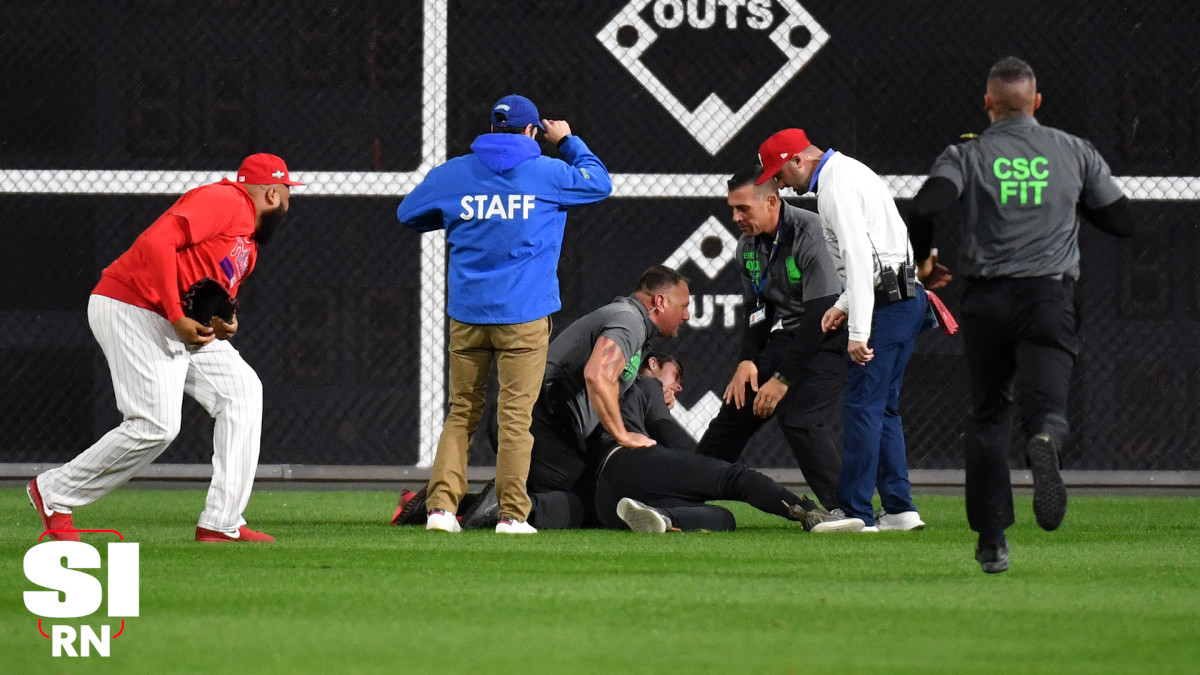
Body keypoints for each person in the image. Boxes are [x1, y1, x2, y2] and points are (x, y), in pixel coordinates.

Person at [906, 57, 1133, 573]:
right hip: (1049, 297)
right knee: (1047, 408)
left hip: (987, 300)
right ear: (1037, 101)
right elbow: (1122, 221)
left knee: (988, 414)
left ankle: (992, 540)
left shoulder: (968, 154)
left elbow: (924, 208)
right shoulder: (1074, 151)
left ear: (987, 103)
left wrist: (924, 262)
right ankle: (1046, 441)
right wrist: (1071, 203)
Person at [28, 153, 302, 543]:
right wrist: (176, 316)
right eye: (289, 194)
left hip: (171, 319)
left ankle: (221, 523)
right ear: (273, 194)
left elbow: (213, 295)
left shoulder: (249, 244)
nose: (289, 204)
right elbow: (157, 239)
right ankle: (54, 492)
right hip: (133, 306)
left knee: (242, 392)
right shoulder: (226, 201)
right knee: (155, 425)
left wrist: (227, 320)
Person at [396, 93, 612, 535]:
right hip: (523, 317)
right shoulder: (549, 173)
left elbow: (408, 214)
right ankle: (512, 514)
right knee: (515, 417)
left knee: (461, 413)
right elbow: (599, 182)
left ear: (492, 129)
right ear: (532, 131)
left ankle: (440, 509)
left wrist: (462, 216)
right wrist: (567, 140)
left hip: (468, 315)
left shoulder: (456, 173)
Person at [758, 128, 927, 534]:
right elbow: (877, 255)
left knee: (862, 408)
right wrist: (842, 304)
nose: (780, 184)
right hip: (906, 299)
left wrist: (858, 329)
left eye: (780, 174)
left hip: (887, 306)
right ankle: (900, 509)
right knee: (883, 408)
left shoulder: (834, 187)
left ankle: (855, 511)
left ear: (799, 160)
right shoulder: (849, 172)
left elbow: (857, 260)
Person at [694, 165, 862, 533]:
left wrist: (782, 380)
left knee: (799, 417)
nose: (735, 218)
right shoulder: (747, 247)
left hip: (830, 336)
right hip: (786, 338)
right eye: (732, 209)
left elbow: (820, 312)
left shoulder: (811, 231)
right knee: (734, 410)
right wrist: (746, 362)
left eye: (743, 209)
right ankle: (681, 493)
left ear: (771, 202)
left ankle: (848, 511)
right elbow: (757, 310)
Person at [595, 354, 858, 533]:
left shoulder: (598, 392)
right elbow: (676, 444)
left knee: (723, 518)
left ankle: (662, 517)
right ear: (652, 363)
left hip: (607, 502)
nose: (677, 386)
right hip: (628, 461)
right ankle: (812, 514)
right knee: (735, 477)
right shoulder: (645, 383)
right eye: (675, 375)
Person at [520, 265, 692, 530]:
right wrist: (623, 435)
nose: (687, 315)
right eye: (683, 306)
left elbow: (620, 377)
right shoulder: (629, 320)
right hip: (541, 419)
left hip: (547, 421)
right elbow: (597, 376)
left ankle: (470, 504)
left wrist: (656, 391)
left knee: (584, 497)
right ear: (660, 302)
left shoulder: (632, 323)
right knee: (586, 500)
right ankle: (505, 506)